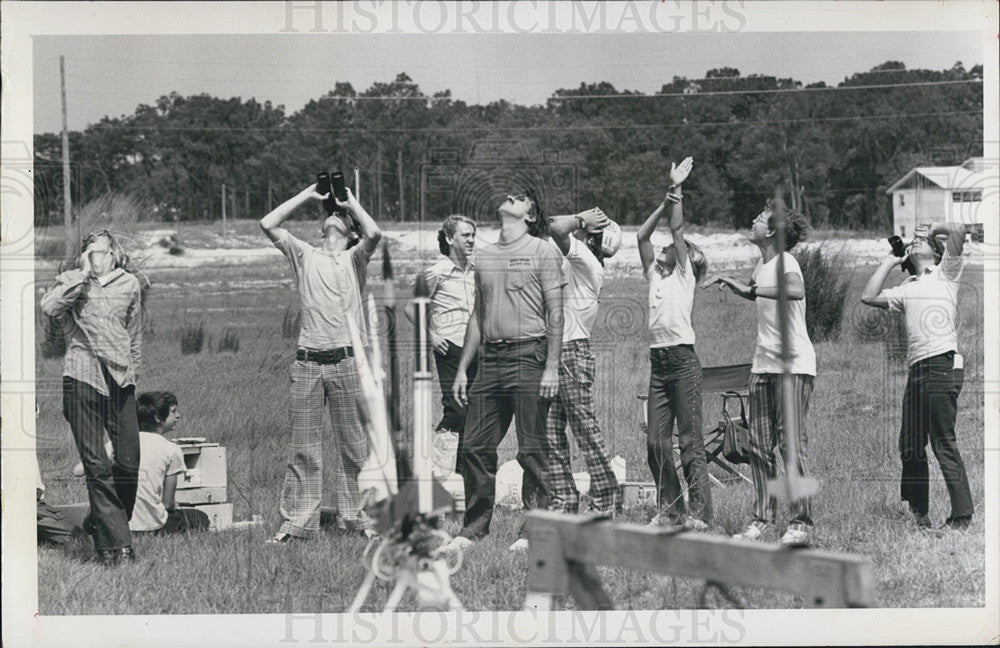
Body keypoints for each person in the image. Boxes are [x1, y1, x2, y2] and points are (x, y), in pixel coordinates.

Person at [260, 181, 381, 543]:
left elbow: (374, 232)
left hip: (345, 361)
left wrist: (350, 201)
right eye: (330, 217)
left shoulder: (355, 257)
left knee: (355, 446)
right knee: (303, 447)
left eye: (342, 220)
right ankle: (298, 525)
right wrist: (310, 193)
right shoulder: (304, 254)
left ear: (349, 233)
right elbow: (268, 223)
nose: (334, 219)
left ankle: (363, 522)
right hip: (308, 362)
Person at [449, 192, 566, 552]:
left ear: (530, 217)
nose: (511, 197)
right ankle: (474, 528)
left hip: (529, 355)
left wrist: (551, 367)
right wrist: (462, 369)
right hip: (490, 362)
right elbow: (477, 316)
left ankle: (534, 529)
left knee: (531, 448)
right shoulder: (483, 255)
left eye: (522, 199)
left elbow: (556, 313)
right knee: (474, 445)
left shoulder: (543, 250)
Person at [708, 201, 817, 545]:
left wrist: (752, 289)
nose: (752, 221)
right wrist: (734, 282)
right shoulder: (763, 263)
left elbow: (796, 291)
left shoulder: (787, 262)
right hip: (763, 365)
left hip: (793, 365)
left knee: (790, 445)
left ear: (772, 231)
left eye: (758, 219)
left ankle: (801, 522)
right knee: (757, 446)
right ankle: (763, 518)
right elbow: (755, 290)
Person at [860, 223, 973, 531]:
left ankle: (962, 516)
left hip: (942, 362)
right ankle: (919, 513)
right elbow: (868, 297)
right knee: (909, 444)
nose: (913, 244)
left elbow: (958, 230)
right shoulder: (906, 288)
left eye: (919, 242)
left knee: (942, 441)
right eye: (911, 245)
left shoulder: (945, 272)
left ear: (935, 251)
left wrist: (932, 229)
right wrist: (890, 260)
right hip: (917, 368)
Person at [40, 229, 143, 565]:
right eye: (89, 252)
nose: (95, 258)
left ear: (114, 254)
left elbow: (134, 335)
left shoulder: (129, 284)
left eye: (100, 252)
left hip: (119, 380)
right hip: (81, 376)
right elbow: (50, 307)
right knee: (97, 465)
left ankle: (101, 522)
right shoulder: (72, 280)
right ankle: (118, 547)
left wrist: (132, 375)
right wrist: (82, 274)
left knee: (128, 462)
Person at [637, 157, 713, 531]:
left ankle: (698, 515)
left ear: (690, 261)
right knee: (655, 443)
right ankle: (671, 509)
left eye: (676, 246)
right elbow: (641, 237)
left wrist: (677, 190)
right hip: (659, 364)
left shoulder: (684, 274)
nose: (668, 245)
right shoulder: (656, 273)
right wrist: (664, 202)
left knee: (690, 443)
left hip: (683, 361)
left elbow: (678, 228)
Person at [543, 207, 622, 516]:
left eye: (585, 232)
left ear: (591, 240)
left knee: (586, 432)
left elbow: (555, 227)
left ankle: (606, 501)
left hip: (571, 354)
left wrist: (580, 218)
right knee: (551, 435)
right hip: (556, 352)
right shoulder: (579, 261)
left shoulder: (586, 261)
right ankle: (564, 500)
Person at [421, 215, 478, 472]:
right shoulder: (436, 272)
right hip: (450, 348)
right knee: (457, 410)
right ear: (449, 238)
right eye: (465, 235)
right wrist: (431, 335)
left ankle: (464, 474)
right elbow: (413, 309)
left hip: (476, 348)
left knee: (475, 412)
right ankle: (436, 466)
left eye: (473, 235)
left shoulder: (477, 270)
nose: (472, 240)